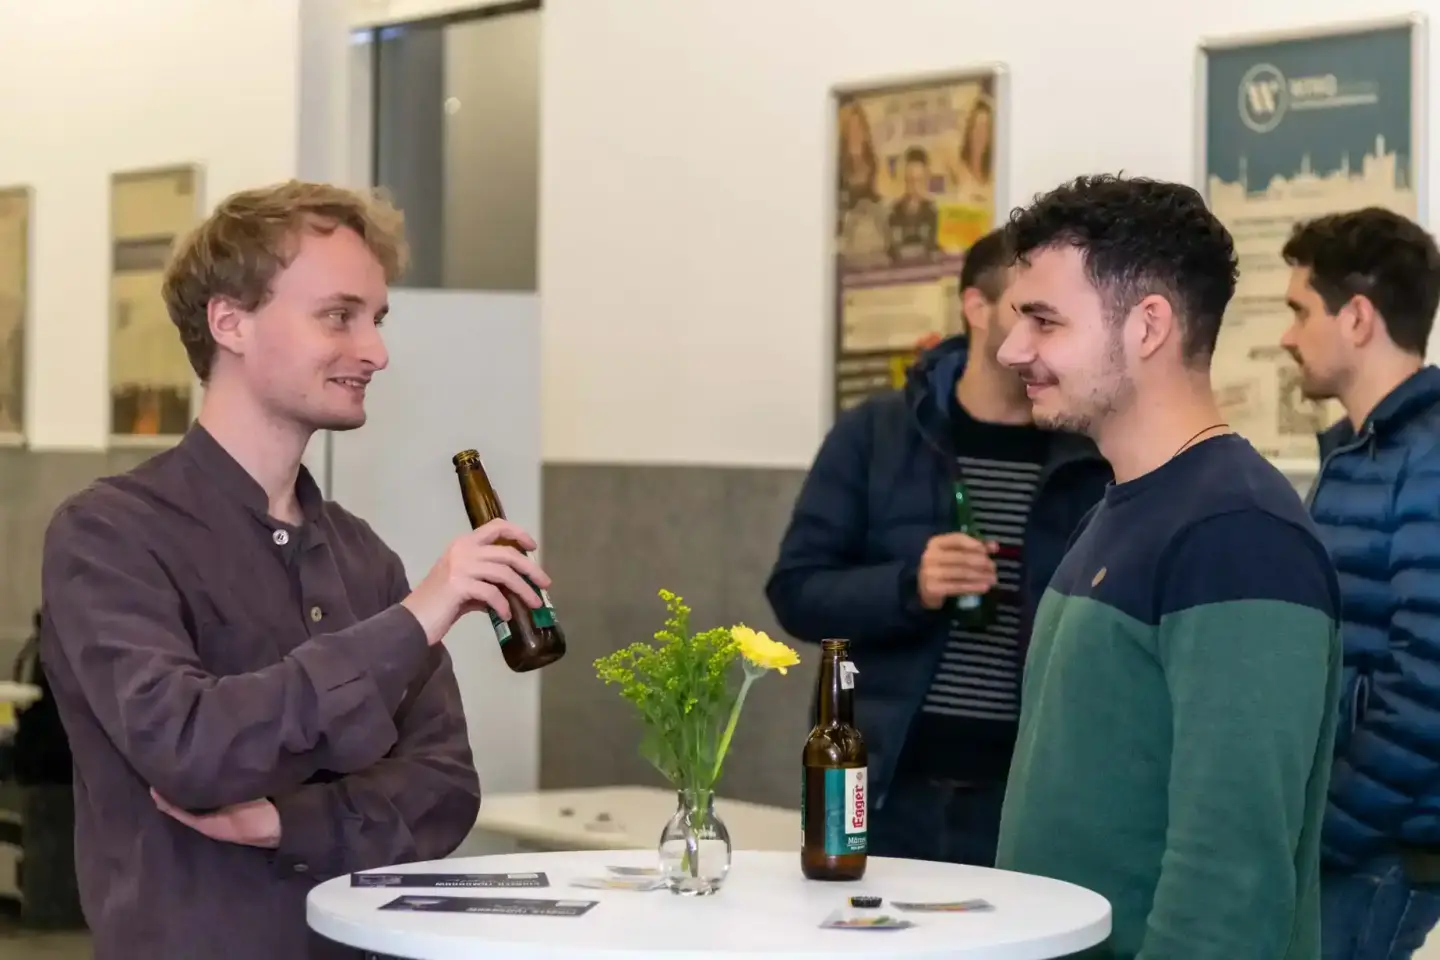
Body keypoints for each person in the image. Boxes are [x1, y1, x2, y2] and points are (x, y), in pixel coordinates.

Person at [38, 181, 549, 960]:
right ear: (230, 321)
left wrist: (287, 822)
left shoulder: (362, 556)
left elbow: (445, 791)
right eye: (338, 316)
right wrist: (416, 619)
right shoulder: (107, 536)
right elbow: (190, 747)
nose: (376, 351)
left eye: (376, 320)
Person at [992, 174, 1343, 960]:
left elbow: (1229, 882)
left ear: (1147, 326)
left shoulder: (1239, 537)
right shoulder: (1122, 507)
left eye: (1044, 321)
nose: (1014, 349)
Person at [765, 227, 1111, 866]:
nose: (1039, 338)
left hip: (1027, 794)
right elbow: (796, 591)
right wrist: (907, 586)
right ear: (975, 309)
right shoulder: (879, 434)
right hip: (892, 786)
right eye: (1025, 312)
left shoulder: (1089, 453)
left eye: (1052, 318)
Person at [1279, 208, 1440, 960]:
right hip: (1360, 861)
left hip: (1386, 868)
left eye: (1299, 310)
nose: (1286, 336)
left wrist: (1322, 827)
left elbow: (1429, 684)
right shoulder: (1361, 455)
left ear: (1358, 318)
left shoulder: (1428, 460)